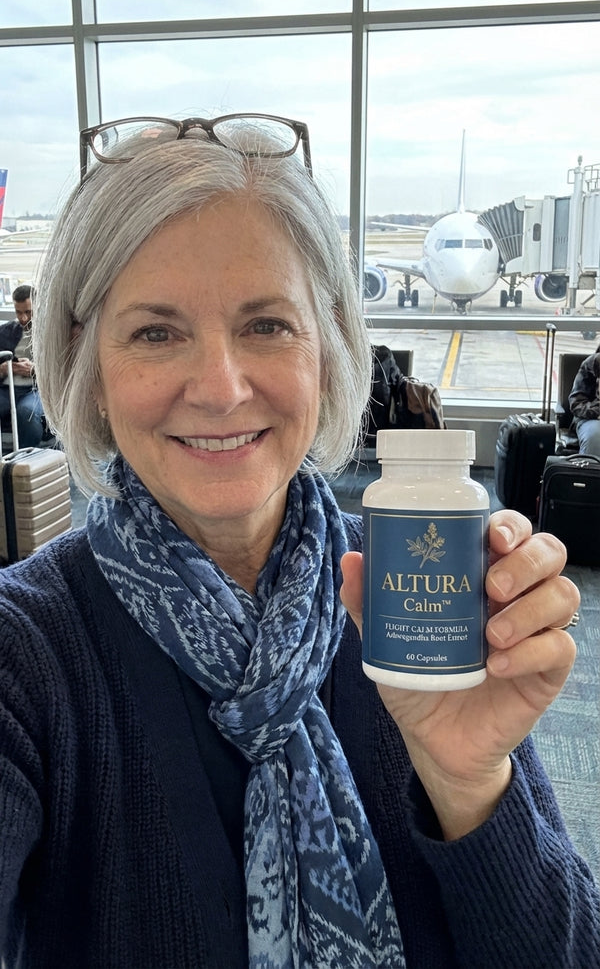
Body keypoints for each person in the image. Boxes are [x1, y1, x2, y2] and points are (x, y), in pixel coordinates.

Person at [0, 113, 597, 969]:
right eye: (156, 332)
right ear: (88, 368)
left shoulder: (415, 588)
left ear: (330, 349)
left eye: (267, 325)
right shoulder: (27, 654)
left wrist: (472, 787)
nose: (220, 387)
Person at [0, 282, 46, 447]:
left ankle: (26, 463)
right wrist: (4, 369)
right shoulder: (5, 331)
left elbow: (62, 369)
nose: (23, 318)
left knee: (26, 412)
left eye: (28, 312)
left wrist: (35, 370)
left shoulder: (50, 333)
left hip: (35, 389)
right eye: (18, 312)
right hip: (7, 387)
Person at [568, 342, 600, 456]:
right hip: (592, 418)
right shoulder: (593, 364)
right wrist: (597, 411)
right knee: (595, 438)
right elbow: (576, 403)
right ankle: (589, 471)